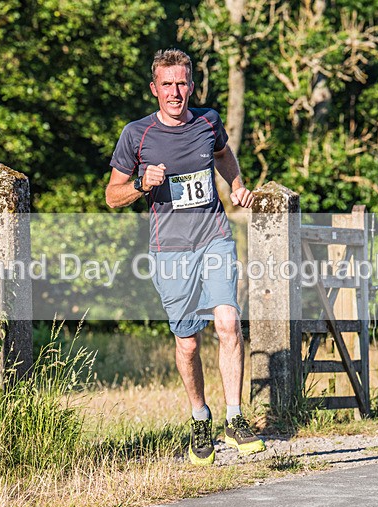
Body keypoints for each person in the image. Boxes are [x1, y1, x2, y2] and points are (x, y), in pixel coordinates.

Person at [106, 48, 265, 465]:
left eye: (182, 83)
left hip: (213, 239)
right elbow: (111, 196)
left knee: (228, 323)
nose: (175, 92)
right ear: (154, 89)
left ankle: (234, 418)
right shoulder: (135, 135)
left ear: (191, 85)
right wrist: (142, 183)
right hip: (169, 251)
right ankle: (200, 418)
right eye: (167, 85)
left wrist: (235, 185)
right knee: (189, 343)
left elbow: (223, 155)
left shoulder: (208, 122)